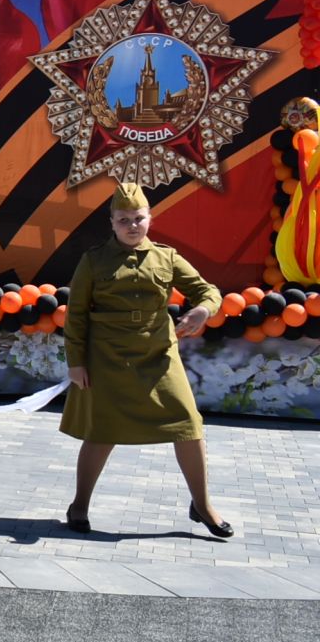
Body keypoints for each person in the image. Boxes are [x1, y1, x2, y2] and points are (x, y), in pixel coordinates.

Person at [61, 181, 229, 537]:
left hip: (158, 357)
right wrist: (76, 362)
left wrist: (202, 311)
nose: (132, 225)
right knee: (101, 431)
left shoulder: (167, 257)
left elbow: (208, 291)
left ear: (150, 219)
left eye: (138, 218)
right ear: (111, 222)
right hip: (107, 357)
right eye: (124, 220)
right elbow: (76, 315)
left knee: (188, 424)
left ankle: (202, 505)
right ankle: (79, 505)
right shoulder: (93, 261)